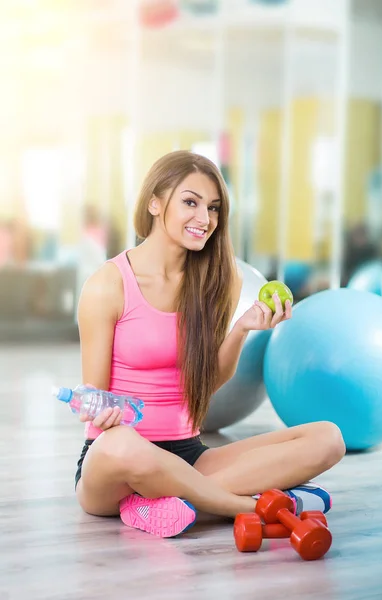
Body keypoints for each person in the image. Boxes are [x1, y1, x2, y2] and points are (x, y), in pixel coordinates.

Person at [75, 151, 345, 538]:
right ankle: (251, 507)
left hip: (189, 455)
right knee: (121, 447)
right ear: (154, 202)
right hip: (117, 464)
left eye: (214, 208)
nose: (205, 219)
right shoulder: (108, 284)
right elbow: (93, 397)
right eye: (191, 202)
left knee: (328, 439)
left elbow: (206, 382)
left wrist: (241, 329)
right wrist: (99, 410)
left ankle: (164, 503)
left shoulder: (216, 282)